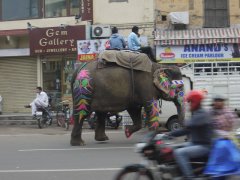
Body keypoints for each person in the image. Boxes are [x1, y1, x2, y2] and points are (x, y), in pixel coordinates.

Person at [165, 90, 214, 179]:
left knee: (179, 153)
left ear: (195, 102)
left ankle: (189, 177)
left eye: (190, 102)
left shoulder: (201, 114)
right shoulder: (197, 113)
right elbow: (188, 130)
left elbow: (186, 129)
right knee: (173, 148)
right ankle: (178, 171)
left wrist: (169, 134)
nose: (189, 104)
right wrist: (169, 135)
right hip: (196, 142)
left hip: (204, 146)